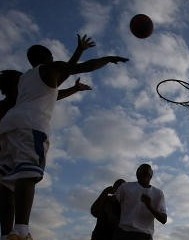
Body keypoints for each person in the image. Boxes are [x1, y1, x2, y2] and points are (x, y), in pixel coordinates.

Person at [0, 36, 128, 240]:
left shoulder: (26, 79)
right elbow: (82, 66)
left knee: (6, 184)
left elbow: (54, 94)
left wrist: (75, 89)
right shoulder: (50, 68)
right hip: (31, 124)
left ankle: (7, 233)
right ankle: (22, 231)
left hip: (8, 126)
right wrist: (107, 58)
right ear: (48, 57)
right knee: (27, 175)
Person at [113, 163, 167, 240]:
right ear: (137, 174)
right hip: (124, 233)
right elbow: (114, 204)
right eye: (139, 173)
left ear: (151, 176)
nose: (142, 175)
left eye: (146, 173)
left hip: (145, 235)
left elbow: (164, 219)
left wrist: (149, 206)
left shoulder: (158, 193)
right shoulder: (125, 187)